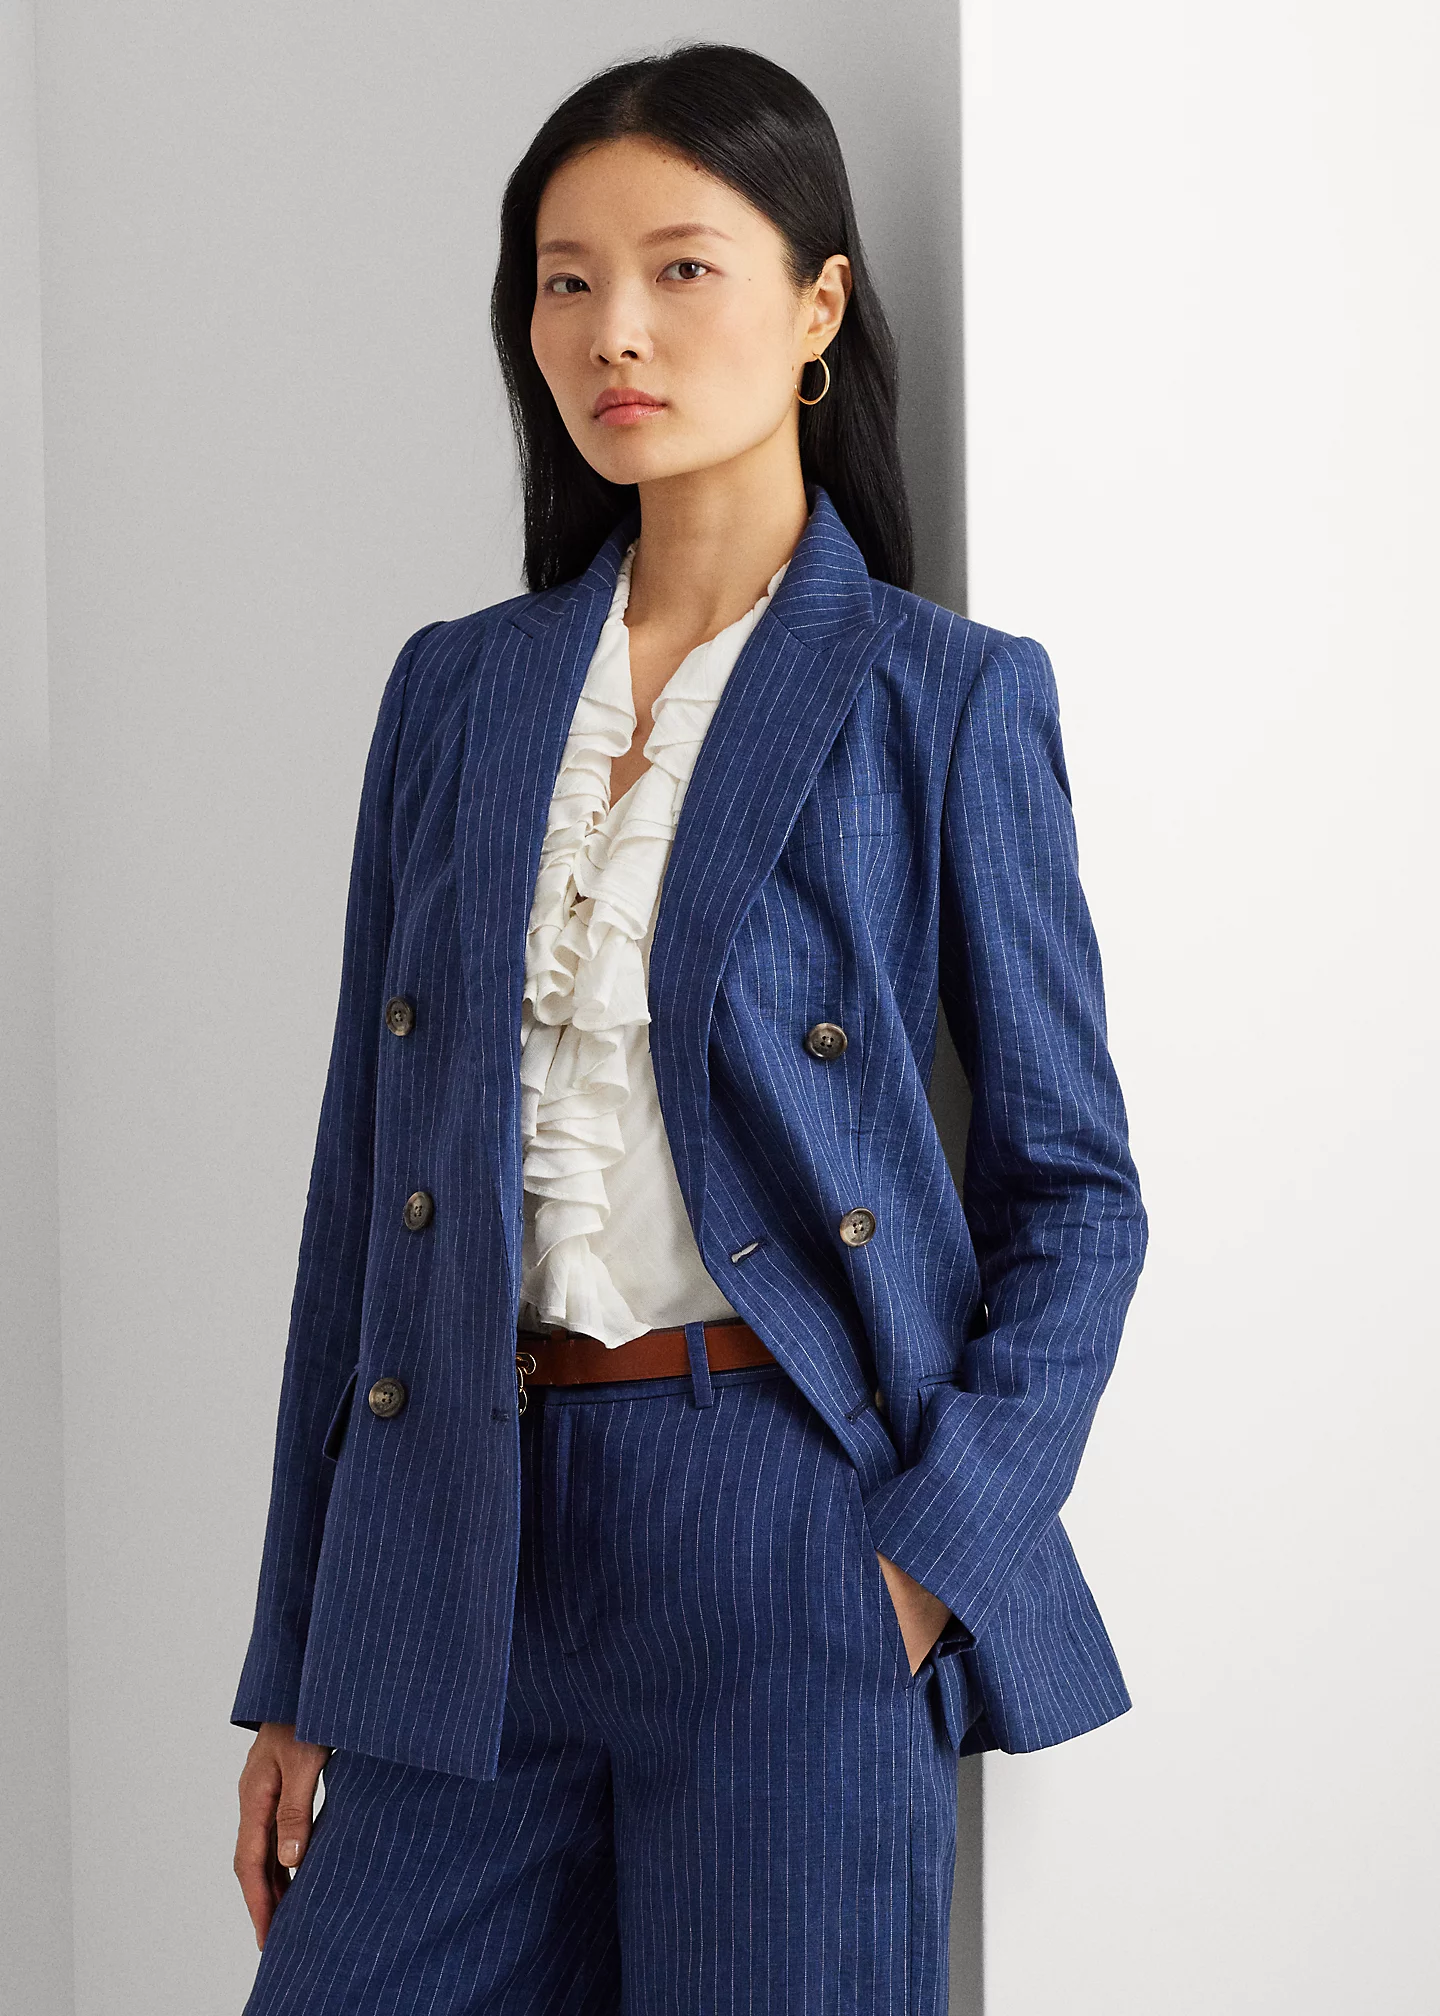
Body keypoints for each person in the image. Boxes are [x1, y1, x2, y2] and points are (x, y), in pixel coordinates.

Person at [230, 40, 1147, 2015]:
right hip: (456, 1552)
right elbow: (360, 1201)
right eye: (564, 281)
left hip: (785, 1537)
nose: (613, 330)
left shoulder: (941, 698)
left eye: (679, 269)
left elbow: (1077, 1191)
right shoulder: (455, 694)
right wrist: (301, 1658)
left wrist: (919, 1561)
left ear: (818, 306)